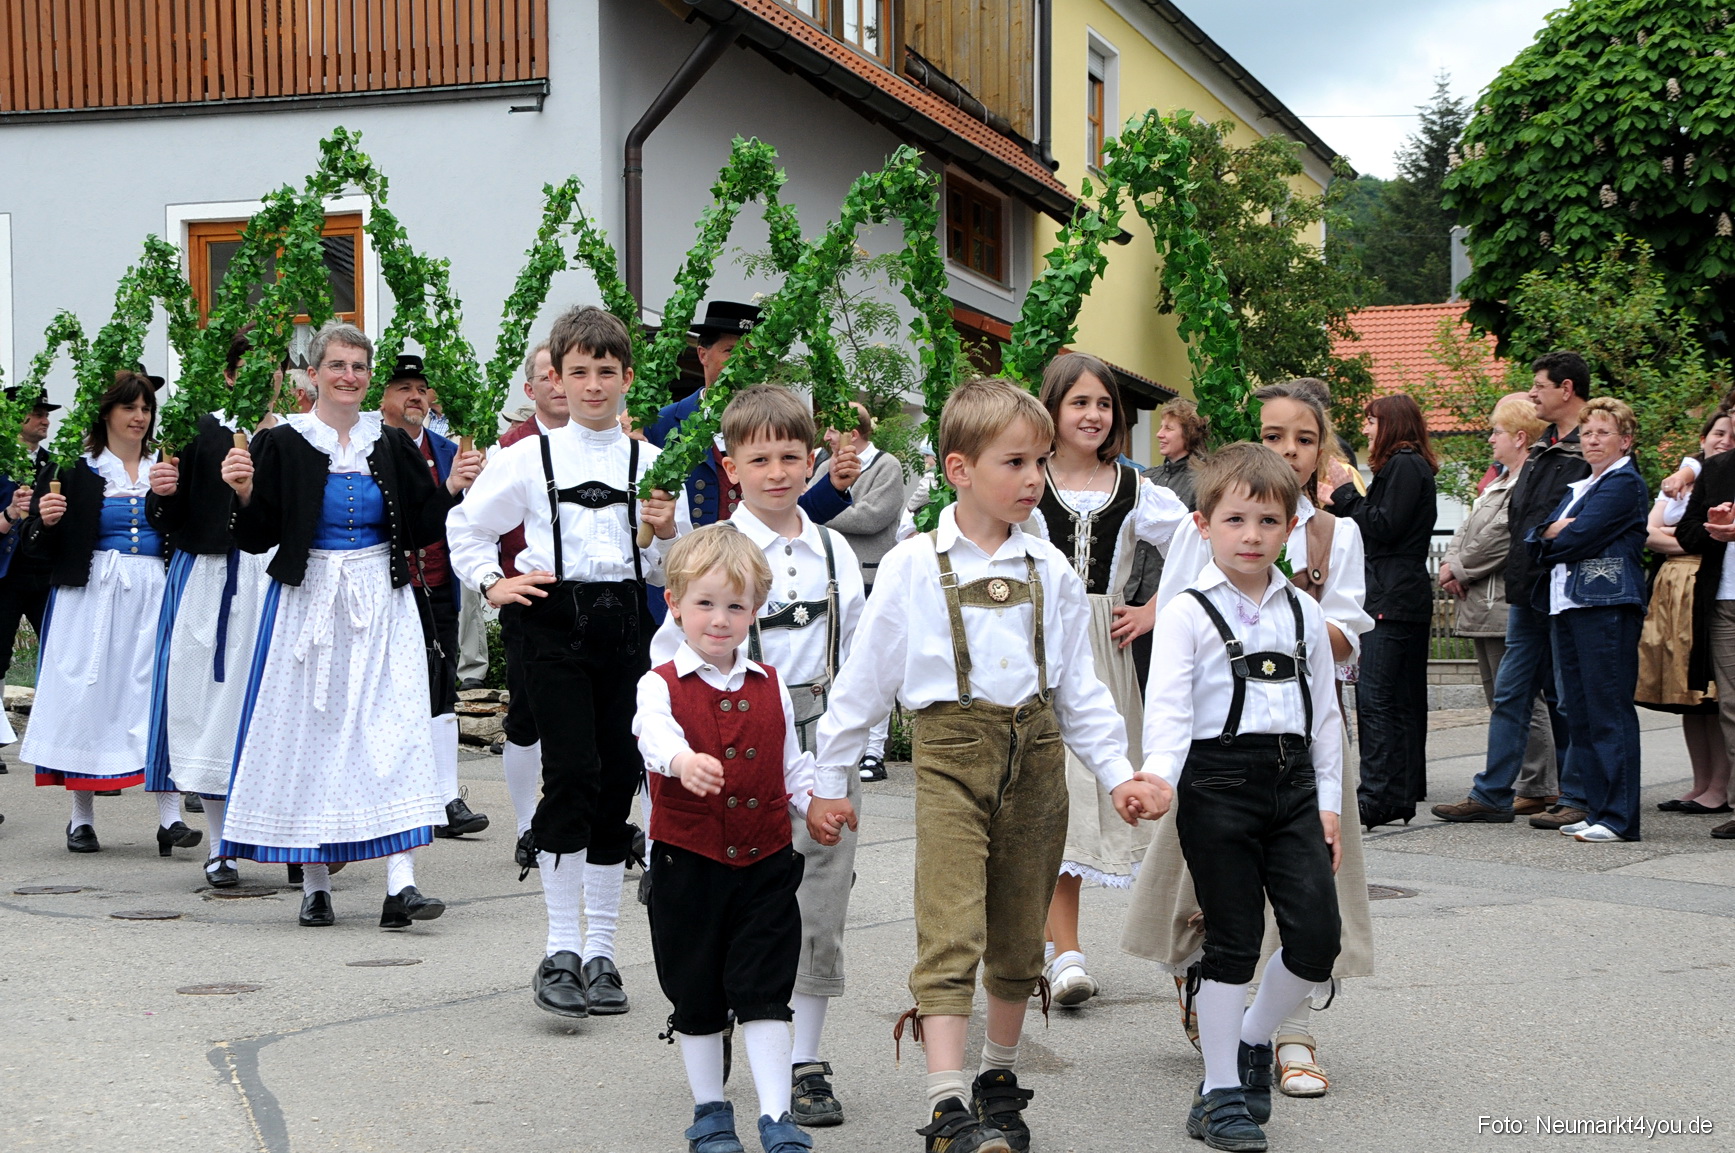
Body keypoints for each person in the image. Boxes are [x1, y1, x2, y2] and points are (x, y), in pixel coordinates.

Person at [811, 378, 1169, 1153]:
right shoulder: (912, 564)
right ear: (958, 469)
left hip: (1037, 757)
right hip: (950, 757)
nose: (1034, 477)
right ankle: (945, 1102)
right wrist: (823, 782)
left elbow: (1080, 689)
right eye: (1015, 461)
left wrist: (1118, 774)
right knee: (949, 928)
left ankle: (996, 1079)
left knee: (1015, 935)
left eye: (1040, 461)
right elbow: (864, 683)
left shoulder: (1051, 569)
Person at [1129, 381, 1373, 1103]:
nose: (1250, 534)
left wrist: (1328, 800)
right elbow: (1169, 711)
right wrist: (1156, 777)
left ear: (1288, 525)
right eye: (1234, 520)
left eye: (1267, 521)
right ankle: (1221, 1088)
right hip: (1216, 783)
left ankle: (1253, 1035)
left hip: (1293, 784)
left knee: (1315, 938)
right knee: (1231, 941)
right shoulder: (1187, 611)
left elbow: (1323, 715)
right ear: (1203, 525)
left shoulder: (1303, 610)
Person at [448, 306, 682, 1018]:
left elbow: (670, 563)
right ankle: (559, 947)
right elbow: (465, 523)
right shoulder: (525, 457)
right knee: (572, 774)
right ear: (555, 377)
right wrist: (493, 582)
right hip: (550, 625)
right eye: (575, 372)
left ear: (625, 379)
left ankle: (604, 953)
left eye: (603, 372)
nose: (590, 385)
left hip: (623, 628)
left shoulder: (648, 464)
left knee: (617, 780)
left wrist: (667, 533)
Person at [218, 321, 481, 928]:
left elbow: (423, 524)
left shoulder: (387, 442)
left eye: (360, 367)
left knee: (393, 733)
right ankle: (315, 885)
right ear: (313, 375)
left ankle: (401, 884)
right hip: (310, 601)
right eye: (337, 365)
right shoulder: (283, 442)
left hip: (382, 599)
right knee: (317, 735)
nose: (349, 377)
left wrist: (455, 489)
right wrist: (244, 492)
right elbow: (259, 538)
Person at [652, 385, 867, 1128]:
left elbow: (862, 659)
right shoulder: (710, 554)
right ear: (730, 464)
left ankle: (804, 1059)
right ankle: (725, 1052)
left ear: (812, 461)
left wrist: (850, 756)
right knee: (735, 907)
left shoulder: (835, 548)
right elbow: (666, 672)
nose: (777, 471)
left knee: (818, 901)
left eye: (790, 456)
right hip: (732, 751)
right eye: (759, 457)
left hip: (823, 736)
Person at [636, 523, 838, 1153]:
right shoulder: (659, 681)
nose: (719, 620)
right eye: (705, 603)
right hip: (685, 860)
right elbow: (650, 734)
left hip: (766, 859)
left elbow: (789, 762)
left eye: (735, 606)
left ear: (755, 612)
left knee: (764, 987)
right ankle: (710, 1109)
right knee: (694, 988)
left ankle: (777, 1117)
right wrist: (679, 761)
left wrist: (814, 802)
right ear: (675, 603)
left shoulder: (769, 681)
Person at [1023, 353, 1188, 1007]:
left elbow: (1198, 545)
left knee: (1110, 796)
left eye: (1102, 404)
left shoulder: (1135, 487)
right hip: (1040, 652)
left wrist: (1154, 608)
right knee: (1055, 800)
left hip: (1105, 654)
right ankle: (1062, 950)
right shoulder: (1026, 477)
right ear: (1052, 410)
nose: (1093, 414)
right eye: (1078, 402)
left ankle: (1146, 946)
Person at [21, 372, 191, 855]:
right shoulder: (76, 471)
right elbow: (41, 547)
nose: (140, 417)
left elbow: (182, 528)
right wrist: (47, 522)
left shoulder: (165, 467)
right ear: (107, 413)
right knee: (86, 697)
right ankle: (81, 818)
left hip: (153, 591)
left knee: (157, 694)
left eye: (146, 409)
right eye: (130, 408)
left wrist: (173, 497)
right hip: (92, 594)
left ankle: (170, 817)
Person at [143, 326, 284, 887]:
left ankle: (292, 843)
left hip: (274, 578)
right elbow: (169, 523)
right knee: (209, 705)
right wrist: (163, 493)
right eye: (251, 370)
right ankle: (222, 845)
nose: (265, 381)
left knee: (279, 705)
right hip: (212, 579)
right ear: (229, 375)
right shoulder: (200, 433)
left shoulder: (297, 438)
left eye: (273, 371)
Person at [1438, 352, 1593, 830]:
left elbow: (1557, 523)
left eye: (1539, 385)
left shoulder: (1586, 447)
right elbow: (1519, 517)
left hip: (1563, 590)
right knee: (1510, 695)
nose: (1532, 393)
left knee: (1567, 697)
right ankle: (1493, 794)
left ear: (1566, 389)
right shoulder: (1547, 447)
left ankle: (1575, 794)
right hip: (1526, 592)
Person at [1432, 395, 1562, 820]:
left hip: (1502, 602)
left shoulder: (1526, 483)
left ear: (1520, 437)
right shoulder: (1498, 482)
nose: (1490, 439)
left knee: (1522, 697)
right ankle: (1524, 780)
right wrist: (1451, 561)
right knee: (1500, 697)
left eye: (1497, 432)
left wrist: (1461, 568)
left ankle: (1540, 783)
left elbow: (1503, 538)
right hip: (1481, 604)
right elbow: (1467, 529)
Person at [376, 354, 490, 839]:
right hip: (391, 586)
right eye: (403, 387)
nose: (415, 396)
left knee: (441, 686)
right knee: (392, 692)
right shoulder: (371, 447)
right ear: (382, 397)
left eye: (421, 388)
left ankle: (445, 797)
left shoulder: (448, 448)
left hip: (440, 587)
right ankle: (394, 793)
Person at [1527, 397, 1648, 842]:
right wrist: (1551, 533)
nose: (1592, 440)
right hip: (1569, 605)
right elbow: (1535, 535)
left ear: (1625, 440)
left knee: (1607, 711)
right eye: (1588, 432)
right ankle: (1597, 808)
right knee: (1577, 711)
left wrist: (1556, 533)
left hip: (1606, 606)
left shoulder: (1624, 484)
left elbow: (1575, 537)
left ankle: (1618, 817)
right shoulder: (1582, 485)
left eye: (1603, 433)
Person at [1322, 394, 1438, 829]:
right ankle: (1398, 793)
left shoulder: (1404, 465)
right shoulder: (1406, 466)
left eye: (1371, 422)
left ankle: (1378, 794)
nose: (1367, 430)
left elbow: (1383, 525)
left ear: (1390, 424)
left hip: (1392, 594)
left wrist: (1344, 494)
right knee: (1398, 700)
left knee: (1377, 699)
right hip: (1400, 592)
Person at [646, 302, 859, 532]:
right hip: (690, 561)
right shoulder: (662, 423)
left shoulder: (774, 423)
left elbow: (790, 518)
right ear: (702, 354)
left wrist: (834, 485)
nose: (742, 364)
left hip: (759, 562)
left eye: (751, 353)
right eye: (730, 351)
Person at [490, 341, 567, 855]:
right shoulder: (509, 449)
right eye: (550, 376)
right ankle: (525, 826)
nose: (561, 384)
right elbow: (475, 527)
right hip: (530, 598)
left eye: (569, 373)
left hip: (598, 600)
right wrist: (494, 582)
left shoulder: (618, 443)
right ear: (531, 388)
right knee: (527, 716)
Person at [1641, 412, 1735, 816]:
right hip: (1705, 596)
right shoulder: (1706, 472)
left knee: (1718, 702)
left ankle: (1720, 787)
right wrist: (1711, 530)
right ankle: (1712, 789)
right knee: (1709, 701)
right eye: (1720, 430)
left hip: (1703, 587)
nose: (1725, 438)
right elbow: (1671, 530)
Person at [808, 401, 904, 783]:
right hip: (826, 573)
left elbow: (872, 516)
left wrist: (818, 509)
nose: (826, 437)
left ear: (855, 432)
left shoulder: (886, 466)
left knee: (871, 660)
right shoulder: (822, 465)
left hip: (869, 575)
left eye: (832, 429)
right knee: (836, 659)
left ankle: (874, 752)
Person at [1122, 397, 1207, 691]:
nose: (1160, 434)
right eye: (1160, 427)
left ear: (1190, 432)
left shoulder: (1203, 481)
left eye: (1169, 428)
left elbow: (1198, 550)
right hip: (1131, 593)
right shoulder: (1145, 477)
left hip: (1169, 597)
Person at [0, 386, 58, 762]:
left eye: (45, 412)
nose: (44, 419)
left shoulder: (55, 463)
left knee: (58, 652)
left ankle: (55, 741)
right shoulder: (1, 458)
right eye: (36, 413)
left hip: (45, 570)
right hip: (5, 571)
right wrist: (9, 515)